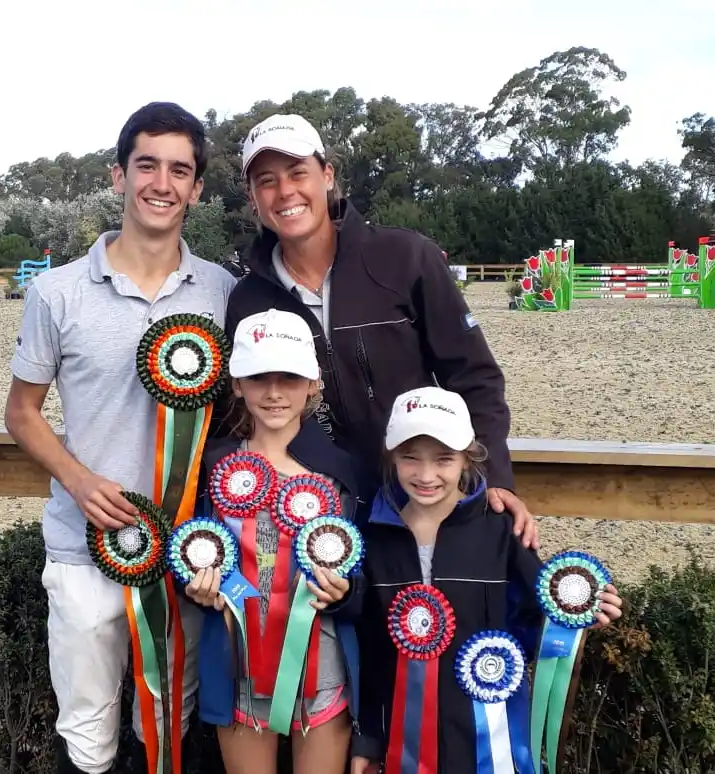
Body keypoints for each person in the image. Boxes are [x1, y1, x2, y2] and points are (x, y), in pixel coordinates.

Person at [4, 101, 237, 774]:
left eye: (179, 170)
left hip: (189, 553)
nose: (161, 183)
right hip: (85, 548)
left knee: (166, 728)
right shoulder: (56, 293)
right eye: (147, 165)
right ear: (118, 176)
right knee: (87, 736)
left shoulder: (223, 292)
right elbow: (21, 412)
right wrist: (79, 481)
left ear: (196, 188)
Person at [220, 113, 539, 550]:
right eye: (266, 181)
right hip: (313, 516)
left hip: (415, 502)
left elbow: (473, 375)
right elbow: (236, 413)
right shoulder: (247, 299)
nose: (285, 191)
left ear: (327, 175)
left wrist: (495, 476)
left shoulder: (406, 259)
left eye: (298, 173)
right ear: (253, 198)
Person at [349, 386, 623, 773]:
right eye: (410, 457)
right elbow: (372, 649)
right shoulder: (373, 537)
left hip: (489, 739)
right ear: (391, 456)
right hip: (404, 745)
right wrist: (368, 739)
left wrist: (577, 615)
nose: (426, 475)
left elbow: (535, 619)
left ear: (467, 457)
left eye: (443, 459)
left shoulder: (501, 531)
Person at [185, 308, 368, 774]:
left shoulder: (343, 472)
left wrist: (348, 593)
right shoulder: (212, 467)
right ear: (236, 384)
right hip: (236, 675)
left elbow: (369, 573)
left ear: (313, 383)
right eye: (258, 378)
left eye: (289, 377)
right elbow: (191, 550)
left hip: (324, 676)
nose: (273, 392)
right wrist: (198, 588)